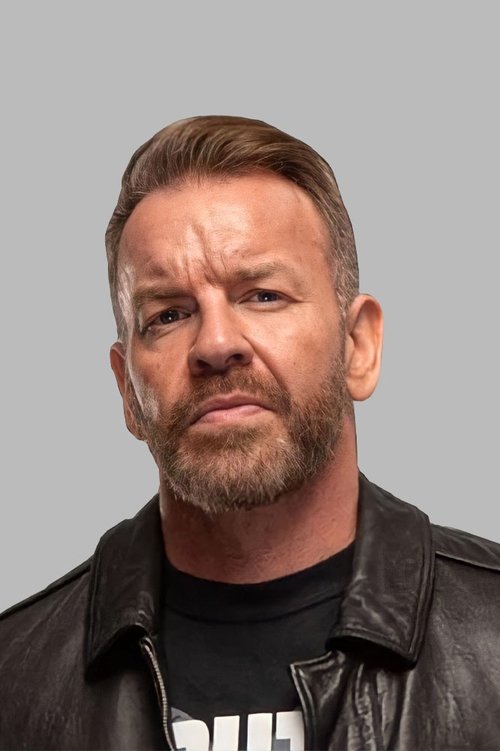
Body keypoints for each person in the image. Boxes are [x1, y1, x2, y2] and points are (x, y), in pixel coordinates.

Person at [1, 116, 499, 751]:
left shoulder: (490, 639)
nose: (215, 344)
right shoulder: (15, 678)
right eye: (168, 314)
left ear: (358, 346)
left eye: (263, 296)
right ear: (128, 390)